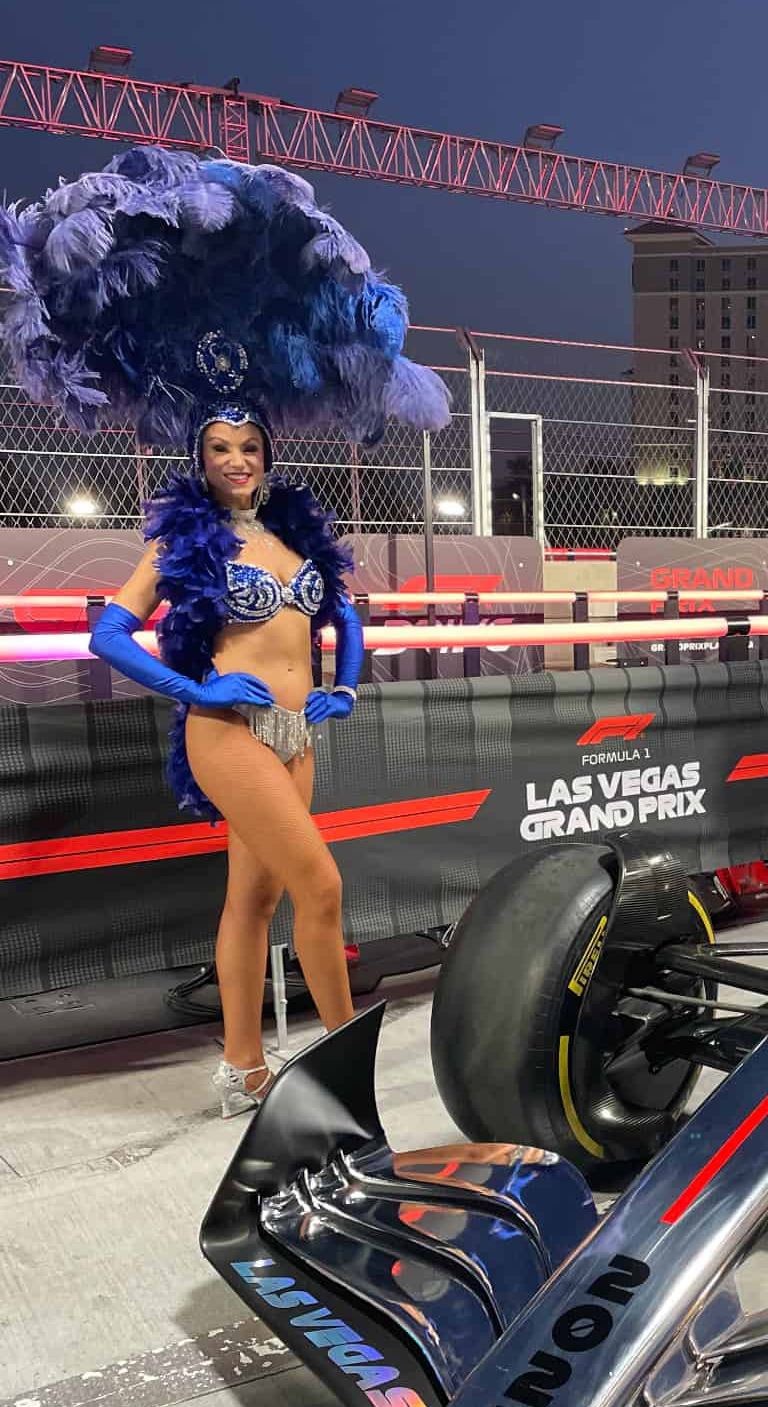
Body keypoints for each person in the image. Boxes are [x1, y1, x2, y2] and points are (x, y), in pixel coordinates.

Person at [1, 145, 450, 1114]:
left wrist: (347, 680)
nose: (237, 460)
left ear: (267, 452)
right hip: (230, 733)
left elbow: (344, 614)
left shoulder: (293, 536)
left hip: (297, 734)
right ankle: (342, 1078)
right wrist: (199, 690)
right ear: (197, 456)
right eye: (220, 448)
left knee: (253, 900)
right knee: (323, 891)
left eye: (249, 446)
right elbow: (110, 637)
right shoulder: (181, 539)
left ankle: (244, 1065)